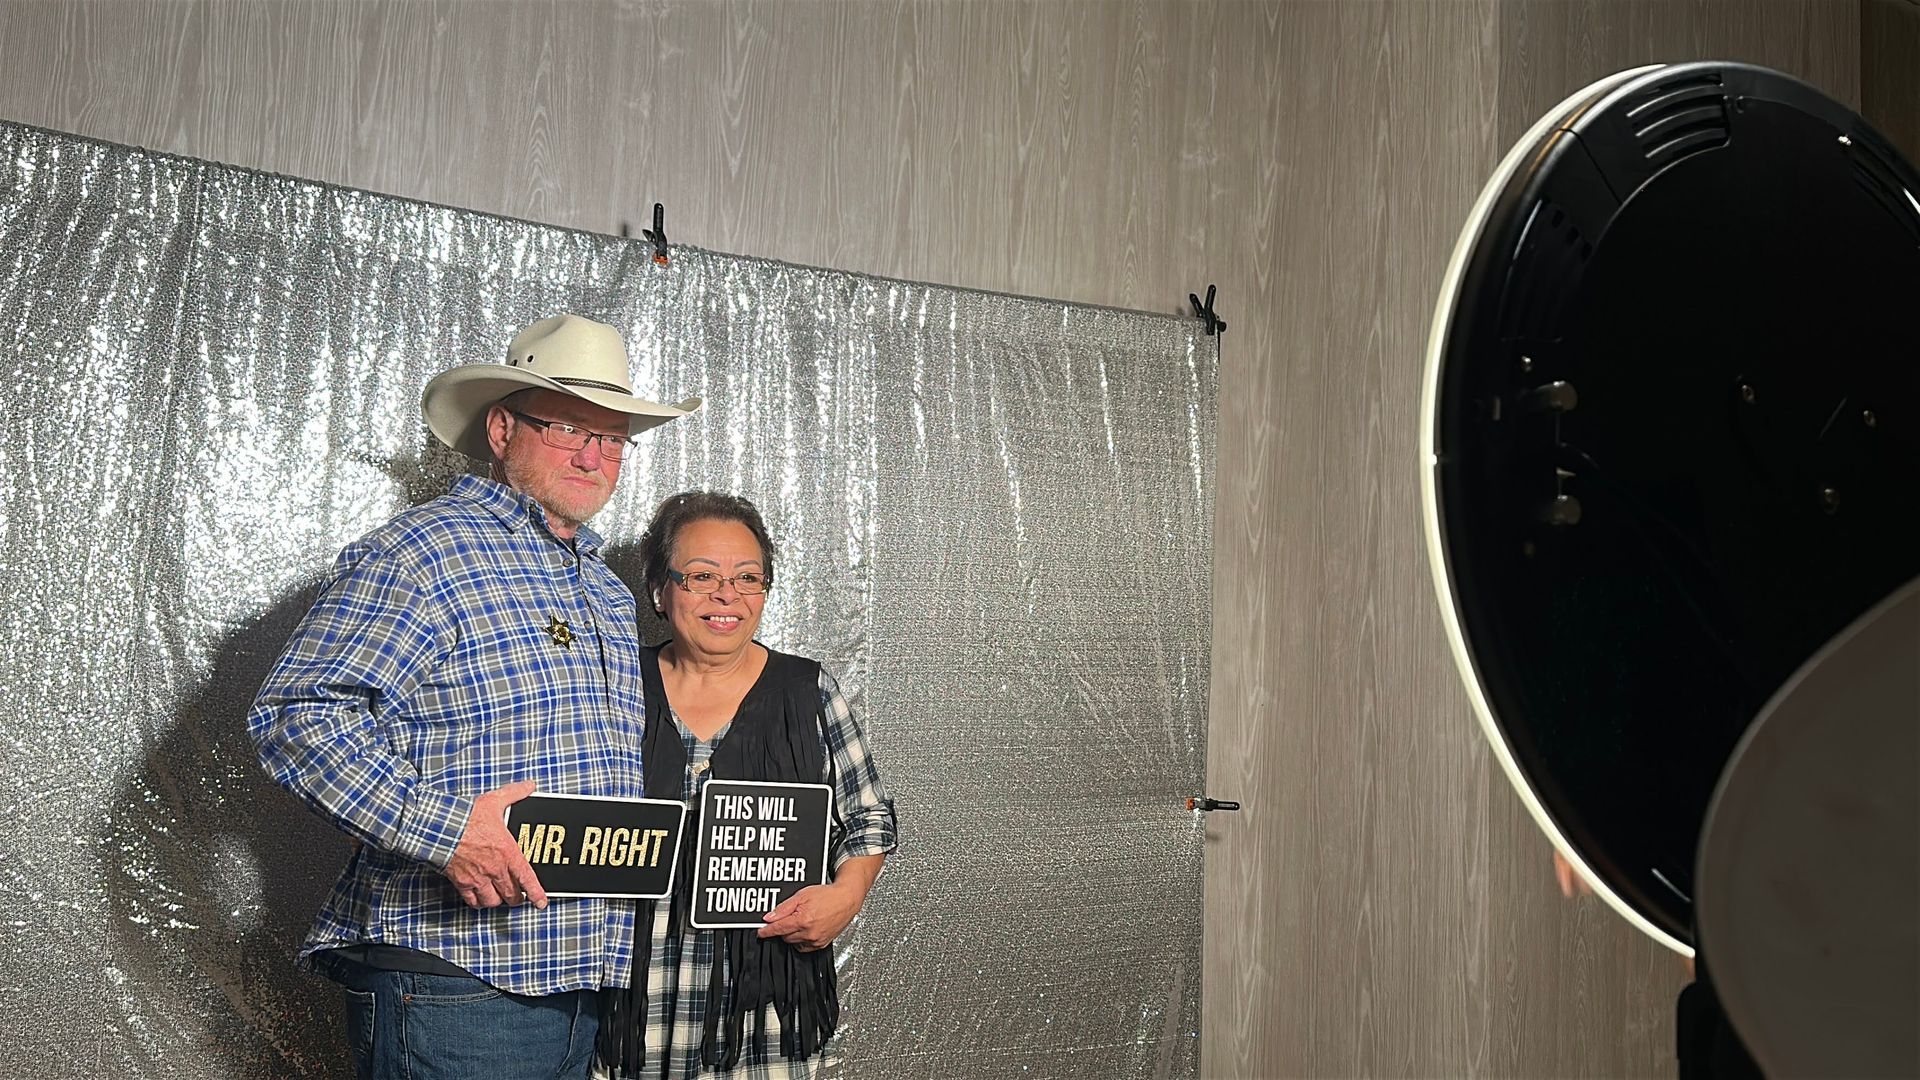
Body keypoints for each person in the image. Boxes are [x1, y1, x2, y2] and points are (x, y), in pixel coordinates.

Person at [247, 313, 698, 1079]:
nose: (594, 455)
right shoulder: (424, 550)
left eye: (613, 437)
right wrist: (448, 829)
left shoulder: (604, 589)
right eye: (567, 427)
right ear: (501, 428)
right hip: (455, 977)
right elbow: (296, 716)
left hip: (578, 981)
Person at [600, 491, 897, 1079]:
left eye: (747, 577)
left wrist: (846, 896)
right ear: (660, 590)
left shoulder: (806, 690)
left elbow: (868, 817)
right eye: (701, 575)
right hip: (627, 1007)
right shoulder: (614, 686)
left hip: (764, 1015)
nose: (726, 595)